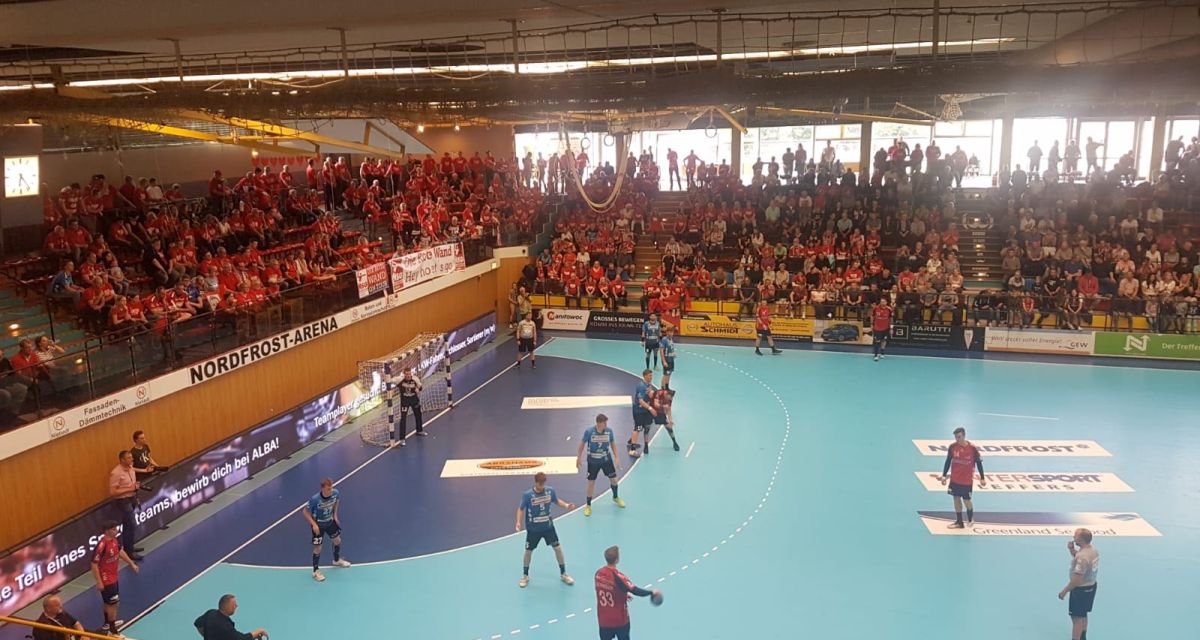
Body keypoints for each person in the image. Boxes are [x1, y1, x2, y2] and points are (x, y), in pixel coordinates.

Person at [516, 472, 576, 588]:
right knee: (528, 552)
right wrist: (518, 522)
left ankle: (563, 573)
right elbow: (520, 509)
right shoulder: (527, 495)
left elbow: (557, 501)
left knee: (558, 549)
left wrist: (567, 506)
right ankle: (525, 576)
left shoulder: (550, 491)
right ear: (535, 482)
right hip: (533, 529)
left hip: (548, 527)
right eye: (540, 484)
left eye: (543, 484)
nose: (542, 486)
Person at [595, 545, 661, 640]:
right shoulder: (618, 577)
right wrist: (651, 592)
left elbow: (605, 589)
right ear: (617, 560)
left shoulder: (598, 574)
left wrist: (622, 595)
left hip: (604, 620)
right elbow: (635, 590)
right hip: (620, 620)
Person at [91, 520, 139, 636]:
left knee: (109, 603)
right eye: (114, 529)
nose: (116, 530)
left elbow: (120, 551)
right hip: (107, 579)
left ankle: (107, 624)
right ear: (107, 531)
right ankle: (113, 630)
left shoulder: (114, 540)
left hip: (114, 576)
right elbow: (93, 564)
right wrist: (99, 582)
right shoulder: (102, 546)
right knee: (113, 604)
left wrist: (131, 563)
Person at [576, 414, 625, 517]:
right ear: (598, 423)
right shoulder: (589, 432)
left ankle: (615, 497)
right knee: (591, 483)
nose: (606, 425)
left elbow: (613, 444)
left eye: (606, 423)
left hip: (606, 459)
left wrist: (616, 457)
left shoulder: (609, 431)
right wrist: (578, 457)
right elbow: (582, 444)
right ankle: (588, 505)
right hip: (593, 461)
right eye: (604, 423)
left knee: (614, 480)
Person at [304, 477, 352, 582]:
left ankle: (336, 560)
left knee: (337, 540)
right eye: (328, 489)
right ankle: (315, 571)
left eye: (331, 488)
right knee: (318, 548)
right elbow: (305, 512)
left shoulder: (335, 493)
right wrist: (314, 525)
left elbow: (337, 501)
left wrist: (335, 515)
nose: (331, 490)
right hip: (318, 525)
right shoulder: (315, 499)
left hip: (330, 522)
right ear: (322, 489)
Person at [938, 427, 987, 529]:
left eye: (959, 437)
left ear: (964, 436)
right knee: (956, 499)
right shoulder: (952, 447)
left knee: (966, 501)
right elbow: (948, 461)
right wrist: (943, 475)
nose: (957, 439)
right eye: (956, 437)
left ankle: (970, 518)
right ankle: (959, 522)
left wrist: (982, 478)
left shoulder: (972, 448)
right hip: (955, 480)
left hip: (966, 481)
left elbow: (979, 463)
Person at [1058, 528, 1099, 640]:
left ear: (1081, 540)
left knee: (1076, 618)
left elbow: (1077, 579)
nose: (1073, 537)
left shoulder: (1083, 557)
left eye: (1075, 536)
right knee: (1083, 614)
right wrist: (1072, 550)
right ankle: (1083, 637)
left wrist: (1065, 591)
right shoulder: (1092, 550)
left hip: (1080, 591)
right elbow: (1080, 558)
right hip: (1091, 586)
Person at [108, 451, 144, 561]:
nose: (132, 459)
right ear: (122, 460)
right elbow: (113, 492)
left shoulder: (131, 468)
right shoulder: (116, 473)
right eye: (129, 458)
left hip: (132, 498)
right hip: (123, 501)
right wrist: (130, 489)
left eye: (131, 457)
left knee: (129, 525)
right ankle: (129, 552)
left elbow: (131, 484)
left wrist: (135, 486)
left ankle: (129, 547)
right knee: (131, 523)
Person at [194, 594, 269, 640]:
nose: (236, 606)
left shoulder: (211, 612)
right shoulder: (225, 626)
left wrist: (206, 636)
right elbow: (241, 639)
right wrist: (259, 631)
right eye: (234, 605)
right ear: (226, 607)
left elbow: (197, 623)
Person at [390, 366, 425, 447]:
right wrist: (385, 376)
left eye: (409, 374)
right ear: (404, 374)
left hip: (414, 400)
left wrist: (418, 389)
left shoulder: (415, 379)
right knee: (403, 419)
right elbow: (390, 380)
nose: (408, 376)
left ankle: (419, 430)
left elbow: (420, 387)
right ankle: (402, 439)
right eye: (407, 374)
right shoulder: (399, 379)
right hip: (405, 402)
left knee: (418, 414)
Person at [628, 369, 657, 458]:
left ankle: (631, 441)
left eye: (651, 376)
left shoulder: (649, 385)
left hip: (645, 410)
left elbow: (649, 395)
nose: (651, 377)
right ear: (644, 376)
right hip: (639, 410)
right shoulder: (641, 386)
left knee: (644, 427)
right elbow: (640, 401)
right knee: (638, 428)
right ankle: (632, 450)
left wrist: (652, 395)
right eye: (649, 376)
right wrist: (650, 408)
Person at [652, 372, 680, 451]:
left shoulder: (669, 398)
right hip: (652, 411)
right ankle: (633, 440)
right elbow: (655, 404)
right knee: (645, 426)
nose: (670, 398)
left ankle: (674, 442)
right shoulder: (658, 394)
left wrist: (670, 420)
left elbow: (669, 408)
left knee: (669, 428)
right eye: (670, 397)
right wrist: (662, 406)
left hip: (661, 413)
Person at [871, 297, 894, 362]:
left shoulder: (889, 309)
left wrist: (891, 328)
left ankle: (882, 353)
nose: (882, 303)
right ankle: (875, 355)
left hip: (886, 328)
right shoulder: (875, 308)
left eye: (883, 302)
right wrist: (871, 324)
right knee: (877, 341)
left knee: (884, 340)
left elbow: (891, 319)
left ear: (886, 302)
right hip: (877, 328)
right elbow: (872, 316)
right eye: (881, 301)